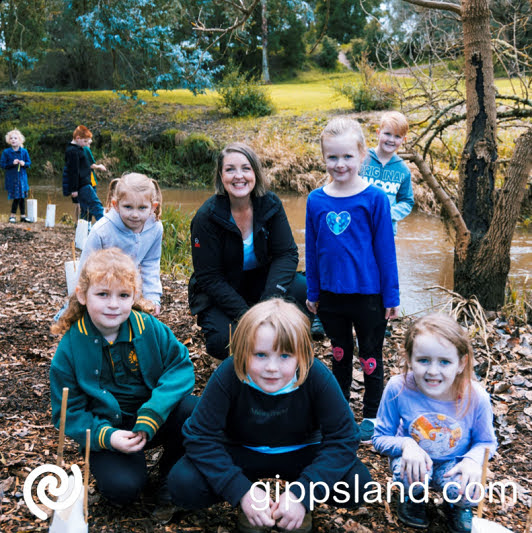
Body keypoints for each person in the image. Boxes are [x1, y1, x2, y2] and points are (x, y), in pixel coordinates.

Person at [168, 299, 372, 533]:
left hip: (301, 451)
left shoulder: (316, 376)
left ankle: (297, 509)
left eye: (285, 356)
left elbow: (344, 438)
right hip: (241, 450)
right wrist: (241, 490)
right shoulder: (229, 373)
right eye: (261, 355)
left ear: (302, 355)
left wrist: (303, 493)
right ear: (243, 351)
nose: (272, 367)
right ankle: (254, 505)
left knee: (358, 484)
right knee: (183, 483)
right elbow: (200, 436)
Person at [50, 248, 196, 508]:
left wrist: (153, 413)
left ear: (134, 297)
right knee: (123, 490)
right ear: (83, 296)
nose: (114, 304)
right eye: (103, 294)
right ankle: (129, 470)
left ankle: (170, 473)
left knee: (194, 411)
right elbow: (67, 413)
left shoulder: (149, 327)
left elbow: (180, 367)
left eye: (123, 295)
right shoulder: (71, 346)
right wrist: (107, 436)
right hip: (108, 429)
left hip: (153, 417)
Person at [305, 117, 400, 442]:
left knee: (371, 355)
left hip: (369, 297)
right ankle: (341, 410)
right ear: (324, 158)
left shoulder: (374, 199)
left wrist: (392, 297)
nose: (340, 164)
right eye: (333, 157)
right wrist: (313, 292)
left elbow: (386, 252)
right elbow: (314, 250)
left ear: (362, 155)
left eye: (347, 156)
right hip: (331, 298)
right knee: (340, 353)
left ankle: (372, 416)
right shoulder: (316, 200)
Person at [189, 142, 319, 361]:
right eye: (230, 169)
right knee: (224, 342)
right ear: (221, 177)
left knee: (307, 293)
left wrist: (269, 302)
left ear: (255, 173)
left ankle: (286, 338)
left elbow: (286, 254)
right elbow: (209, 277)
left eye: (246, 168)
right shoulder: (205, 218)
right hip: (224, 287)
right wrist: (248, 315)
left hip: (262, 280)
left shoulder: (270, 204)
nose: (238, 176)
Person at [372, 314, 497, 533]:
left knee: (467, 488)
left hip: (454, 462)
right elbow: (379, 438)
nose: (432, 371)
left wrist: (471, 461)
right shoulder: (397, 388)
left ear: (461, 363)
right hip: (414, 461)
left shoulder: (476, 396)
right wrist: (406, 445)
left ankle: (456, 506)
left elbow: (486, 442)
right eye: (423, 360)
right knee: (409, 471)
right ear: (409, 359)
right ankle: (413, 497)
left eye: (445, 362)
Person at [77, 172, 164, 315]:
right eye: (128, 207)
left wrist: (153, 298)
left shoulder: (155, 228)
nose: (135, 214)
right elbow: (84, 270)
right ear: (115, 205)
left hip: (130, 291)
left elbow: (151, 263)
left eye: (142, 207)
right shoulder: (101, 231)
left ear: (153, 207)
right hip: (101, 290)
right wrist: (84, 302)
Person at [360, 111, 414, 235]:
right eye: (387, 134)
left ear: (404, 140)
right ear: (378, 133)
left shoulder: (403, 169)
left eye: (397, 136)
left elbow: (407, 201)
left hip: (385, 230)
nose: (391, 140)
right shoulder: (361, 159)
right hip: (359, 226)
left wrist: (389, 214)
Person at [63, 125, 104, 223]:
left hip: (86, 182)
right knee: (97, 206)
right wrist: (74, 189)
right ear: (77, 138)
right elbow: (73, 171)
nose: (86, 144)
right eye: (85, 141)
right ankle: (105, 228)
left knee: (86, 209)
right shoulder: (72, 151)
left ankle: (84, 231)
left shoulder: (79, 148)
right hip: (82, 185)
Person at [1, 129, 32, 223]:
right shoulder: (6, 152)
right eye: (11, 138)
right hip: (12, 178)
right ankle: (12, 216)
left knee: (22, 197)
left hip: (22, 178)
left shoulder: (24, 151)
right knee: (16, 197)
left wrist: (24, 163)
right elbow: (2, 165)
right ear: (9, 140)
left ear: (20, 140)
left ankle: (23, 216)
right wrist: (12, 163)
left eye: (15, 138)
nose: (13, 140)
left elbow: (29, 163)